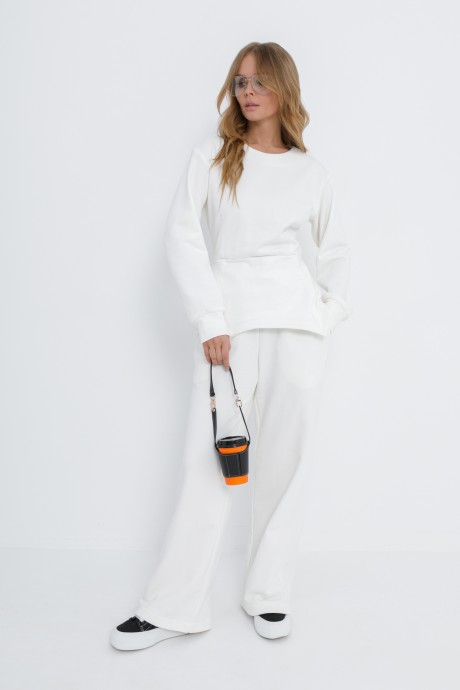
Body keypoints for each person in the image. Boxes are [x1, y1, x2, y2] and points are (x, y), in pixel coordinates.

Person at [110, 40, 352, 651]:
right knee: (211, 461)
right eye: (240, 81)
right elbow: (183, 236)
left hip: (298, 330)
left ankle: (269, 593)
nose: (247, 92)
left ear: (283, 89)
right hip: (231, 329)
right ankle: (174, 606)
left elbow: (337, 252)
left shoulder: (311, 173)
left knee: (286, 463)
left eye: (259, 81)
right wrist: (209, 318)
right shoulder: (215, 157)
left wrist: (325, 316)